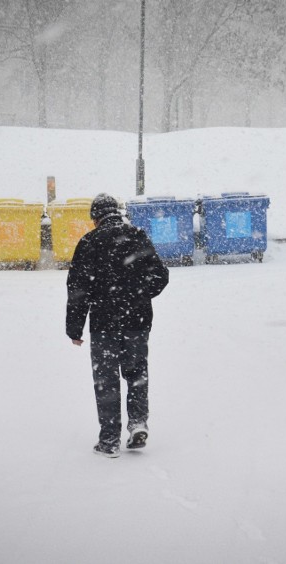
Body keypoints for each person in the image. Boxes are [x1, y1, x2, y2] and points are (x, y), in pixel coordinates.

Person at [66, 193, 169, 458]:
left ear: (95, 218)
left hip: (104, 324)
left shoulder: (89, 242)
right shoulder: (137, 236)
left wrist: (74, 329)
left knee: (107, 380)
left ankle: (109, 440)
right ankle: (137, 423)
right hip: (137, 321)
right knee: (136, 373)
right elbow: (160, 275)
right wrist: (138, 294)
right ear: (118, 212)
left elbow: (78, 289)